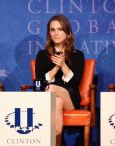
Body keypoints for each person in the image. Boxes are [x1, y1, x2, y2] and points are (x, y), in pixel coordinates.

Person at [35, 14, 84, 146]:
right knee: (55, 102)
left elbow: (75, 83)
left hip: (70, 98)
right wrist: (56, 68)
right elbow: (38, 85)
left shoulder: (77, 55)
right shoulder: (42, 55)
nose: (56, 33)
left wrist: (63, 65)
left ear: (67, 32)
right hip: (50, 99)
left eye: (60, 29)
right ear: (49, 33)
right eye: (52, 30)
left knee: (50, 88)